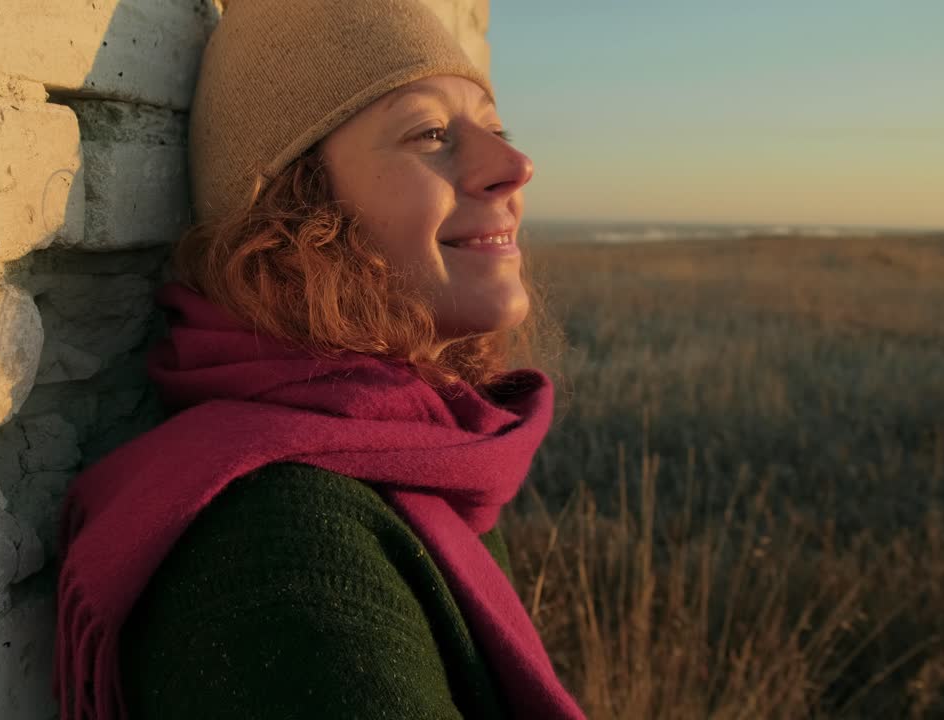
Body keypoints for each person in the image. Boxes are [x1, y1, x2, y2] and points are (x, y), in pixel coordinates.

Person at [54, 0, 587, 718]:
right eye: (430, 133)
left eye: (496, 130)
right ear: (298, 208)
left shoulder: (408, 458)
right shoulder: (280, 558)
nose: (515, 165)